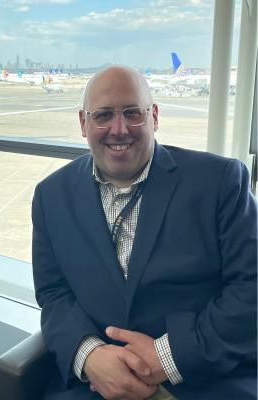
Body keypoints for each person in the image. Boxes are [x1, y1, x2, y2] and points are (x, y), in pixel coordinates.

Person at [32, 66, 257, 400]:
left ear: (154, 116)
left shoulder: (220, 182)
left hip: (205, 378)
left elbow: (251, 288)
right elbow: (53, 294)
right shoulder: (51, 196)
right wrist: (88, 354)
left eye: (132, 113)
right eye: (103, 115)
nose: (119, 129)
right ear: (83, 123)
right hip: (98, 385)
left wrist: (168, 357)